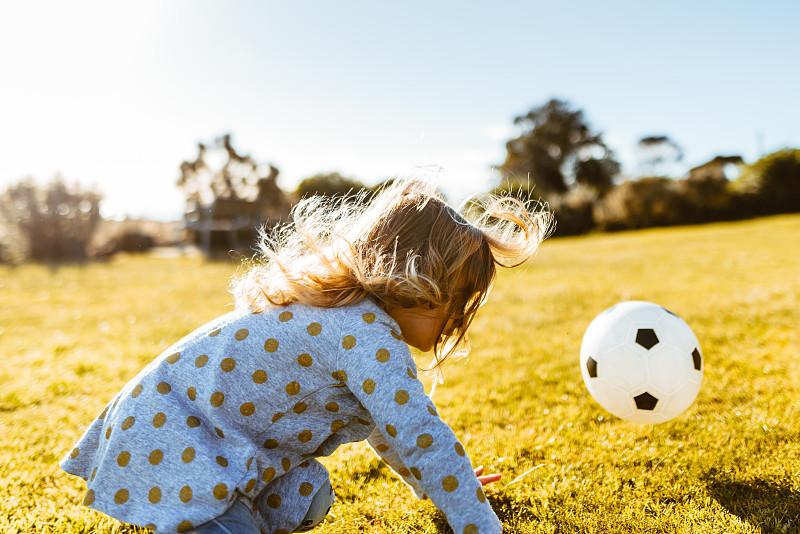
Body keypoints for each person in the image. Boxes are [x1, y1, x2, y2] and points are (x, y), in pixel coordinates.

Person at [60, 179, 553, 534]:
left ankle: (218, 510)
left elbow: (391, 430)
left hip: (209, 442)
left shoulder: (358, 323)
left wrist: (443, 489)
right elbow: (422, 436)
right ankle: (201, 514)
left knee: (308, 497)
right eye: (457, 302)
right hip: (172, 436)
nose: (459, 320)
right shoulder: (362, 331)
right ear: (419, 283)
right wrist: (478, 521)